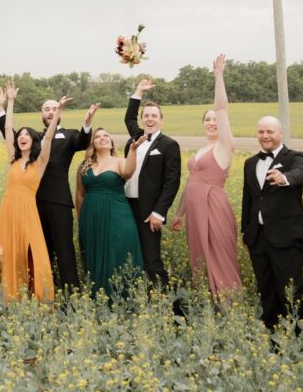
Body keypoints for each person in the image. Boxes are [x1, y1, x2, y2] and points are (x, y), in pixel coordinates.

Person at [0, 92, 95, 293]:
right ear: (40, 113)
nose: (50, 112)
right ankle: (39, 289)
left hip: (58, 201)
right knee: (37, 251)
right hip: (33, 204)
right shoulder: (33, 138)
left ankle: (71, 293)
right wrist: (2, 108)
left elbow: (82, 142)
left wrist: (87, 121)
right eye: (46, 109)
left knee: (64, 250)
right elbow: (10, 133)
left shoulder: (69, 135)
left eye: (53, 109)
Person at [170, 54, 242, 301]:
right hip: (195, 211)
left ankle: (229, 305)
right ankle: (206, 305)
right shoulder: (200, 151)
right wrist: (179, 214)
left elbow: (222, 108)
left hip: (214, 207)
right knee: (200, 258)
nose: (212, 122)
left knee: (219, 256)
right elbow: (191, 183)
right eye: (207, 120)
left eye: (214, 120)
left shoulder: (224, 146)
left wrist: (218, 77)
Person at [0, 82, 69, 302]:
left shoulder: (40, 163)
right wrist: (10, 102)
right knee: (10, 253)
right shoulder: (13, 158)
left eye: (27, 134)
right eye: (21, 134)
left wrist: (58, 113)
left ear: (33, 140)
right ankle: (12, 297)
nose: (22, 136)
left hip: (28, 211)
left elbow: (48, 137)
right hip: (7, 211)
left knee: (35, 253)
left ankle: (40, 297)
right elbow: (8, 129)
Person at [241, 116, 303, 330]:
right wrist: (246, 232)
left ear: (281, 133)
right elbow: (249, 199)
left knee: (290, 290)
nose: (265, 136)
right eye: (261, 131)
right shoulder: (250, 162)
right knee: (266, 288)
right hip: (258, 237)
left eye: (270, 131)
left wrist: (284, 178)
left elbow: (300, 174)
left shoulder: (295, 157)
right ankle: (271, 332)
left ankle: (297, 334)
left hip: (287, 237)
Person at [123, 79, 181, 287]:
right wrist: (138, 91)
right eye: (146, 115)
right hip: (126, 206)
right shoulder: (135, 137)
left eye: (154, 116)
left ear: (161, 120)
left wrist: (159, 212)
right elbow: (129, 117)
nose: (149, 119)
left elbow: (172, 182)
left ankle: (163, 301)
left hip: (149, 211)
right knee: (130, 254)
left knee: (151, 258)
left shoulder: (169, 145)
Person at [75, 128, 145, 297]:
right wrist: (81, 220)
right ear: (93, 143)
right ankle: (99, 297)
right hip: (91, 217)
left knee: (120, 249)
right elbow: (79, 194)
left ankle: (125, 295)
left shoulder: (120, 161)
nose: (102, 138)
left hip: (117, 214)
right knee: (96, 254)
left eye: (106, 135)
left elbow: (128, 172)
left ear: (111, 142)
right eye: (98, 136)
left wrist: (133, 150)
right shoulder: (84, 166)